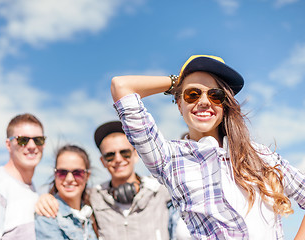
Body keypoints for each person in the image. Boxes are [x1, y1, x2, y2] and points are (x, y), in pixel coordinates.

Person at [110, 54, 305, 239]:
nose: (204, 101)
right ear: (179, 104)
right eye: (192, 94)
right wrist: (179, 81)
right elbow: (122, 86)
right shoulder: (168, 158)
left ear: (225, 104)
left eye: (215, 95)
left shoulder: (261, 155)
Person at [36, 121, 189, 240]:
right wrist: (46, 198)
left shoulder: (161, 189)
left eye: (125, 153)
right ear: (102, 161)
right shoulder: (94, 196)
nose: (118, 159)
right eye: (110, 155)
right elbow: (69, 197)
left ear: (136, 154)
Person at [0, 113, 46, 240]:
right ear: (8, 145)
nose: (32, 146)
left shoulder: (33, 190)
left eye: (38, 140)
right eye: (23, 140)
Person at [35, 144, 98, 239]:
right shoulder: (48, 216)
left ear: (87, 176)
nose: (69, 178)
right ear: (55, 174)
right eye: (62, 172)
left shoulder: (90, 213)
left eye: (77, 173)